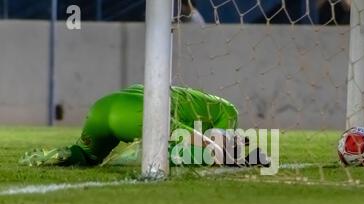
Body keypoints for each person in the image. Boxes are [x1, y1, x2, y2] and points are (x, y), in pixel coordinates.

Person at [19, 84, 268, 167]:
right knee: (196, 154)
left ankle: (60, 154)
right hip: (142, 112)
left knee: (87, 156)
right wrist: (245, 158)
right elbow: (214, 148)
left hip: (104, 108)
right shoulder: (229, 112)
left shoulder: (193, 101)